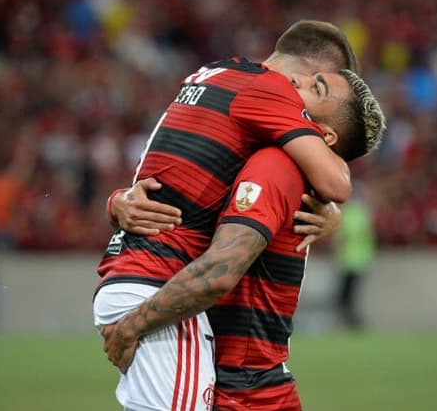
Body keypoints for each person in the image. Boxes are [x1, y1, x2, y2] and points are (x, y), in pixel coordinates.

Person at [94, 20, 360, 411]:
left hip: (140, 273)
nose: (307, 97)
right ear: (307, 75)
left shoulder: (216, 73)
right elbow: (337, 181)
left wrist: (116, 202)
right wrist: (334, 203)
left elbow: (161, 175)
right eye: (320, 86)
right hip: (157, 282)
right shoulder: (270, 91)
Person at [334, 182, 376, 330]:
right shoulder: (363, 213)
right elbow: (367, 237)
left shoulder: (349, 213)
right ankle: (352, 321)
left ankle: (352, 322)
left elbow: (343, 237)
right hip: (358, 260)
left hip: (350, 260)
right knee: (349, 294)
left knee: (345, 295)